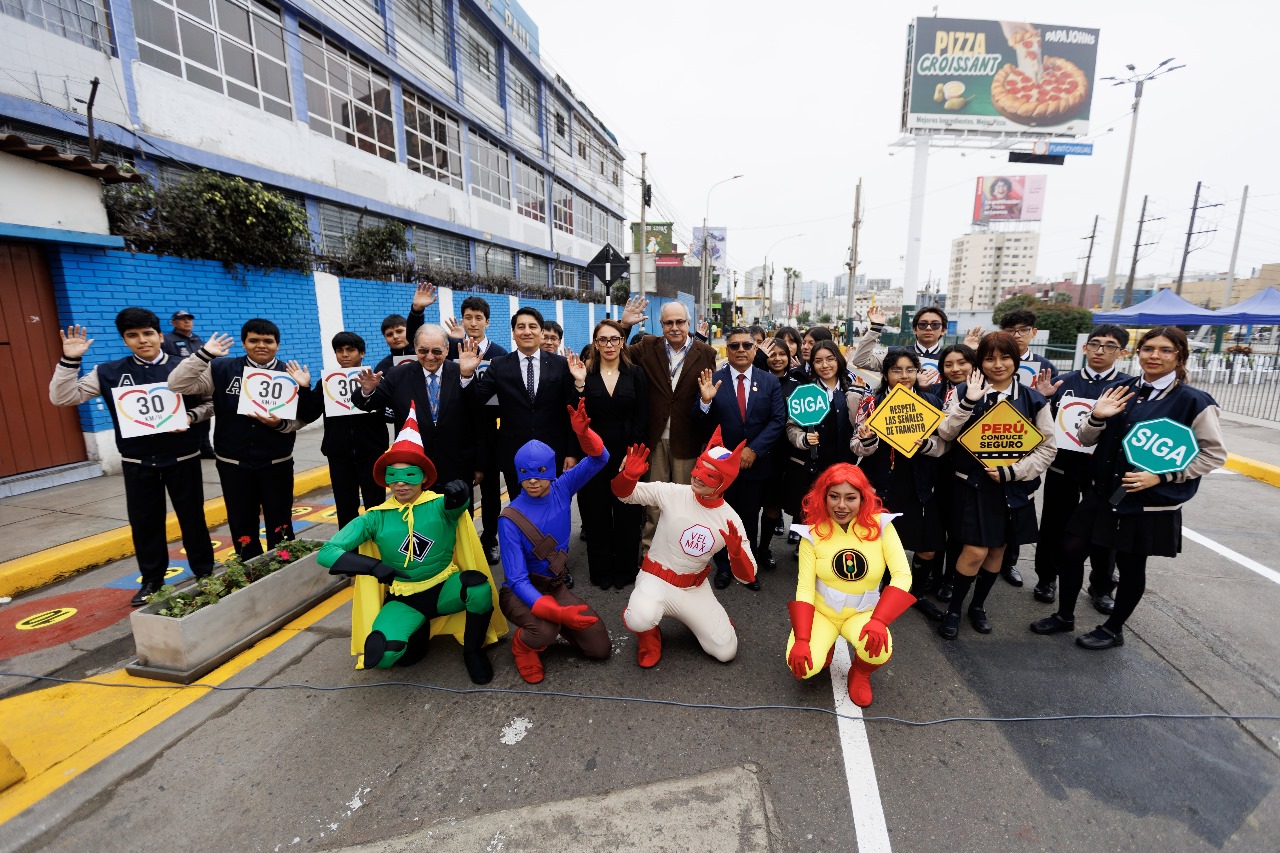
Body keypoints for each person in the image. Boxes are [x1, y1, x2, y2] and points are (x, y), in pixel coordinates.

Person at [1030, 327, 1226, 650]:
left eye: (1165, 350)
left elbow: (1213, 454)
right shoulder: (1120, 389)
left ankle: (1113, 629)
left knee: (1131, 566)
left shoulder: (1194, 401)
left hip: (1147, 501)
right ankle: (1064, 615)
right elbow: (1085, 438)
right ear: (1138, 353)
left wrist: (1163, 477)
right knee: (1070, 550)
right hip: (1104, 492)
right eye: (1148, 349)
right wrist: (1096, 416)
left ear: (1180, 356)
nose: (1154, 356)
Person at [318, 405, 503, 682]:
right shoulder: (374, 518)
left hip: (444, 589)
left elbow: (456, 506)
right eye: (393, 475)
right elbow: (327, 552)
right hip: (405, 598)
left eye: (409, 474)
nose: (400, 483)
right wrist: (373, 566)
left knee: (477, 588)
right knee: (385, 657)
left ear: (424, 477)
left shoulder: (439, 505)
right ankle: (417, 631)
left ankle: (473, 651)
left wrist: (460, 495)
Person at [50, 310, 215, 605]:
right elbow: (63, 397)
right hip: (138, 462)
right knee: (145, 523)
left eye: (148, 333)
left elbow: (211, 403)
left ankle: (205, 573)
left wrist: (191, 416)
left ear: (160, 335)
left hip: (183, 457)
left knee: (193, 518)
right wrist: (69, 360)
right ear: (125, 340)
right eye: (133, 335)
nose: (142, 340)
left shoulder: (187, 367)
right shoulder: (108, 371)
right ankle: (152, 581)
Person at [933, 332, 1055, 639]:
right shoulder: (964, 390)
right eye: (989, 358)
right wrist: (968, 401)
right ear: (980, 361)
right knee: (974, 551)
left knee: (997, 550)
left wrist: (1013, 472)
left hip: (1012, 488)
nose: (998, 364)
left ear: (1016, 360)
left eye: (1005, 357)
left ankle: (978, 606)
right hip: (972, 487)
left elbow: (1047, 448)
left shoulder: (1033, 399)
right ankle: (954, 609)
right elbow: (945, 432)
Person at [168, 318, 317, 559]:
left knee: (280, 523)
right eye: (254, 340)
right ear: (244, 343)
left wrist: (281, 422)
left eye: (268, 341)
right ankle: (250, 570)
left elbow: (305, 418)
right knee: (242, 525)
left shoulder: (290, 374)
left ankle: (283, 566)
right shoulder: (220, 369)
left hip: (276, 463)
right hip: (233, 464)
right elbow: (177, 384)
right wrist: (203, 355)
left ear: (277, 345)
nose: (261, 345)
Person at [610, 429, 759, 667]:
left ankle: (710, 621)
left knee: (726, 651)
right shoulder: (673, 492)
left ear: (724, 481)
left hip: (693, 588)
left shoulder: (730, 519)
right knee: (639, 618)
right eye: (698, 468)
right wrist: (628, 477)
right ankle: (649, 635)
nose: (697, 477)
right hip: (656, 579)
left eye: (709, 475)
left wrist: (736, 554)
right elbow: (624, 495)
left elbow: (748, 576)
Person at [785, 464, 915, 707]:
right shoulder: (812, 533)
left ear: (863, 498)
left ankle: (861, 672)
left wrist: (879, 620)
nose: (841, 505)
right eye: (834, 496)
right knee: (804, 667)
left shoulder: (881, 526)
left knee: (878, 649)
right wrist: (802, 639)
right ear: (823, 497)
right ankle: (824, 646)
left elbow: (901, 575)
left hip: (862, 613)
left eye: (850, 498)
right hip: (822, 613)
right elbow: (805, 587)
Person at [499, 401, 612, 683]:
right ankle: (524, 646)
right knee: (544, 631)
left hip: (555, 586)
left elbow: (600, 458)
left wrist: (584, 435)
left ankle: (552, 625)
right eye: (525, 474)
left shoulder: (562, 488)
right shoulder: (509, 518)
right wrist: (557, 613)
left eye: (540, 472)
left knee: (599, 648)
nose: (532, 481)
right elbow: (517, 580)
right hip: (518, 594)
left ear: (550, 470)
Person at [1026, 325, 1131, 608]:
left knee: (1105, 529)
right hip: (1064, 467)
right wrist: (1043, 398)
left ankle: (1102, 586)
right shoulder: (1062, 382)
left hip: (1106, 473)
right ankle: (1046, 578)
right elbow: (1041, 423)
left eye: (1109, 346)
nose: (1100, 351)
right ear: (1084, 348)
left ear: (1122, 353)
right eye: (1094, 344)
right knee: (1053, 525)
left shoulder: (1128, 387)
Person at [615, 297, 720, 554]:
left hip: (687, 438)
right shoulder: (646, 347)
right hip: (653, 438)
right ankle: (650, 552)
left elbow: (707, 397)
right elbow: (616, 353)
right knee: (654, 501)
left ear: (688, 323)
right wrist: (624, 326)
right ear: (661, 324)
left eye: (679, 322)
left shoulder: (706, 353)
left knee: (686, 500)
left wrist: (706, 404)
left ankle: (682, 553)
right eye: (668, 322)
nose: (674, 327)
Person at [852, 348, 948, 621]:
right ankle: (882, 591)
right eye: (896, 370)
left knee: (927, 546)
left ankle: (916, 593)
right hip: (883, 483)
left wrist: (927, 445)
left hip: (921, 483)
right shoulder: (872, 402)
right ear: (886, 374)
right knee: (880, 543)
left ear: (917, 372)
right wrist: (868, 440)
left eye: (910, 370)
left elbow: (945, 443)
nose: (904, 376)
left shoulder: (931, 401)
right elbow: (856, 445)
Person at [692, 328, 786, 588]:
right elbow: (697, 421)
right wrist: (705, 403)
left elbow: (778, 420)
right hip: (721, 466)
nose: (741, 350)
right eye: (734, 346)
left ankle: (747, 566)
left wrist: (754, 450)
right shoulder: (714, 380)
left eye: (747, 345)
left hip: (755, 464)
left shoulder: (769, 381)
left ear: (755, 349)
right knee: (721, 518)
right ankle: (723, 567)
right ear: (727, 350)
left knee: (749, 518)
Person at [459, 306, 582, 505]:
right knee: (520, 511)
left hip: (554, 454)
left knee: (554, 508)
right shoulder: (499, 365)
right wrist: (466, 375)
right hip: (514, 457)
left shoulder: (561, 364)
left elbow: (572, 412)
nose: (527, 331)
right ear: (513, 333)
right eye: (521, 327)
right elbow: (476, 401)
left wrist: (571, 452)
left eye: (532, 326)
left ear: (541, 332)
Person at [351, 324, 478, 499]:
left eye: (436, 351)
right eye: (423, 351)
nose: (430, 357)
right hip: (413, 469)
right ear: (415, 348)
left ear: (447, 349)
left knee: (458, 514)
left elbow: (477, 414)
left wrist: (479, 465)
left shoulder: (462, 372)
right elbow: (368, 404)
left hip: (457, 466)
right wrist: (367, 391)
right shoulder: (397, 375)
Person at [576, 319, 649, 589]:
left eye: (614, 339)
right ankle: (601, 571)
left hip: (626, 456)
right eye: (603, 340)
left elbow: (643, 417)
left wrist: (633, 454)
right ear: (596, 344)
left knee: (628, 515)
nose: (609, 345)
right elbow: (575, 414)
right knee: (596, 515)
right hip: (593, 456)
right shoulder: (585, 374)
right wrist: (579, 385)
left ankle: (625, 571)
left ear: (622, 342)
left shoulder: (635, 374)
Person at [995, 307, 1060, 586]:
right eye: (1011, 330)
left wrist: (1043, 398)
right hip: (991, 440)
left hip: (1026, 447)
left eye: (1023, 330)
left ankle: (1009, 562)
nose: (1017, 335)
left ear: (1034, 333)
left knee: (1017, 506)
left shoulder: (1045, 366)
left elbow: (1051, 415)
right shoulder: (990, 360)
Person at [443, 295, 508, 565]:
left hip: (489, 430)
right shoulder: (450, 350)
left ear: (487, 322)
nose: (473, 323)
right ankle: (463, 542)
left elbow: (504, 393)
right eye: (468, 317)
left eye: (478, 318)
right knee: (461, 490)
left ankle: (489, 539)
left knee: (491, 492)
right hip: (458, 432)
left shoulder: (499, 354)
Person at [299, 332, 387, 529]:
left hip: (371, 453)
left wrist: (372, 392)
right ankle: (349, 546)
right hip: (339, 455)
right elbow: (309, 414)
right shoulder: (326, 382)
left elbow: (388, 411)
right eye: (340, 351)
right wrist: (304, 388)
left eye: (350, 350)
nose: (345, 355)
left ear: (361, 353)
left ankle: (378, 543)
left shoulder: (376, 380)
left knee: (376, 505)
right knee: (345, 507)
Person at [783, 341, 861, 559]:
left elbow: (862, 425)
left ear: (838, 360)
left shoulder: (852, 389)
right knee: (812, 512)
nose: (824, 365)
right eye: (818, 361)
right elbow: (791, 427)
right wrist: (803, 439)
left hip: (844, 465)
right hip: (812, 466)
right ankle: (808, 551)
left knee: (840, 511)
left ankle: (835, 555)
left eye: (830, 359)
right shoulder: (806, 391)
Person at [926, 343, 978, 603]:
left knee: (958, 529)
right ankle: (934, 574)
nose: (955, 369)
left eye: (962, 363)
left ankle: (950, 578)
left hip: (966, 470)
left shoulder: (983, 392)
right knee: (937, 526)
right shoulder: (934, 391)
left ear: (973, 365)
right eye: (948, 364)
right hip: (936, 467)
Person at [762, 335, 802, 548]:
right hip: (762, 451)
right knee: (766, 504)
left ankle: (796, 544)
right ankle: (762, 549)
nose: (777, 359)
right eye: (772, 355)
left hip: (791, 453)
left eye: (782, 354)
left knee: (783, 502)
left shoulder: (799, 384)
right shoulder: (758, 380)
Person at [851, 305, 950, 385]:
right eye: (923, 324)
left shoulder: (949, 358)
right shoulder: (894, 353)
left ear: (943, 330)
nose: (928, 328)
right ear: (914, 329)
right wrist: (876, 328)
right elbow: (860, 361)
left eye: (935, 324)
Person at [162, 309, 215, 458]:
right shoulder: (168, 340)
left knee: (204, 418)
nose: (187, 321)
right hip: (181, 387)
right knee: (186, 418)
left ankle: (206, 449)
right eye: (182, 319)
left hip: (201, 385)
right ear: (173, 323)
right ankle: (192, 450)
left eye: (189, 319)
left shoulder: (196, 339)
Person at [372, 282, 435, 375]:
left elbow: (415, 329)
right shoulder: (381, 368)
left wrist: (417, 310)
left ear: (408, 331)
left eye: (399, 331)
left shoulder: (427, 358)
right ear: (385, 339)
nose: (395, 336)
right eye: (389, 334)